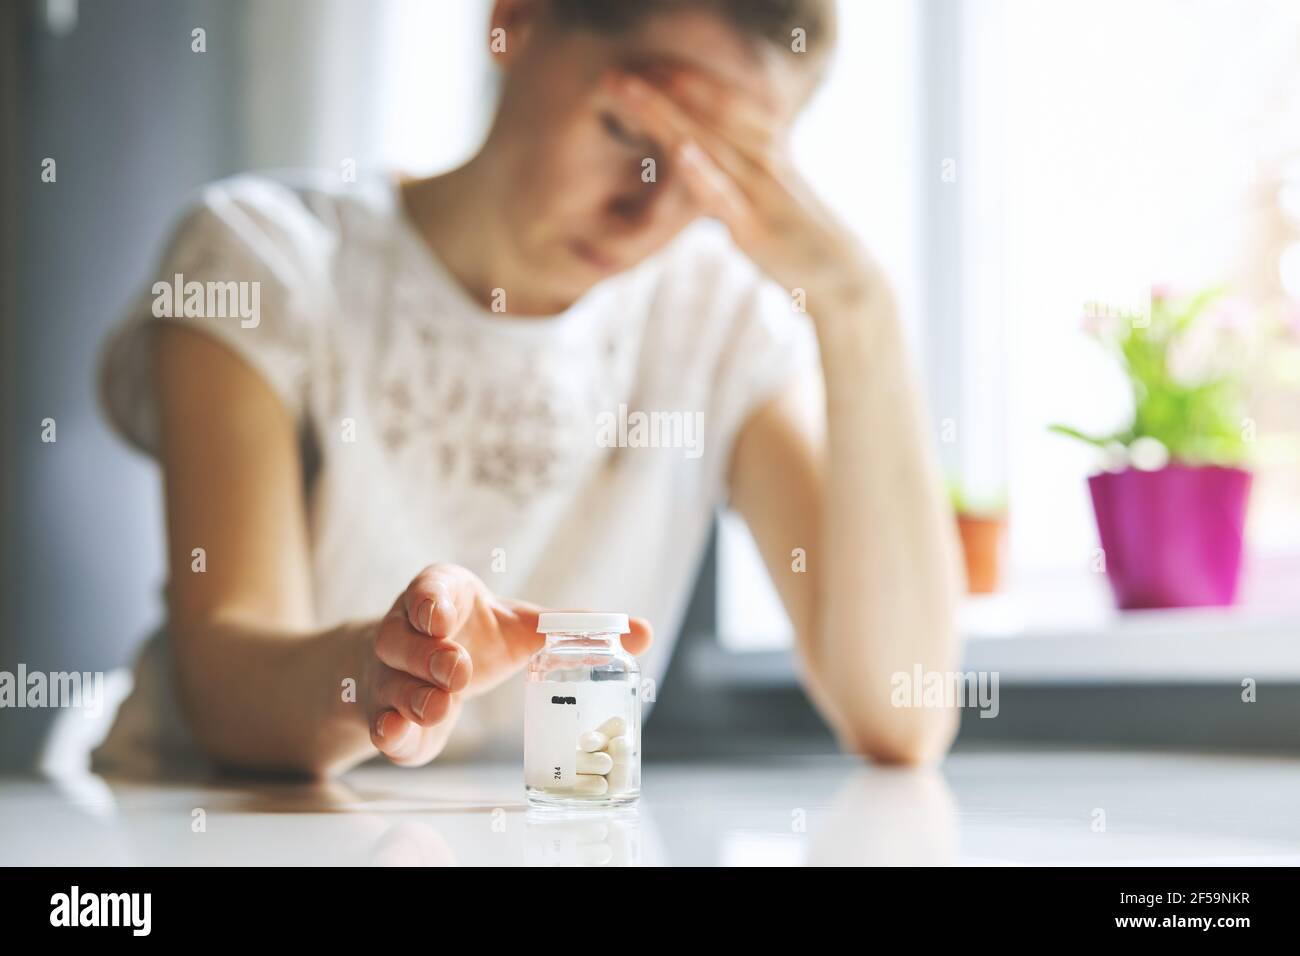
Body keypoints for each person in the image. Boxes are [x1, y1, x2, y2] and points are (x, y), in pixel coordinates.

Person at [95, 0, 963, 778]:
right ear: (514, 21)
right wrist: (383, 672)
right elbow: (227, 685)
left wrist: (857, 310)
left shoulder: (714, 321)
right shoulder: (265, 257)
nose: (648, 212)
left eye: (715, 173)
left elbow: (900, 713)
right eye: (630, 132)